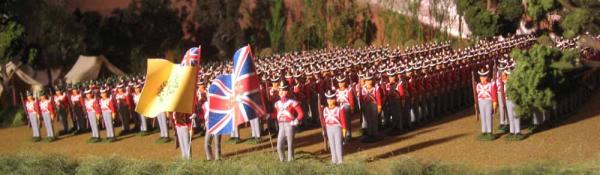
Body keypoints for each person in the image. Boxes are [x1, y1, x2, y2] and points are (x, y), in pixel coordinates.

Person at [273, 80, 304, 162]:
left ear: (287, 91)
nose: (281, 92)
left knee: (290, 144)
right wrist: (268, 115)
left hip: (289, 125)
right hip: (281, 126)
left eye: (284, 90)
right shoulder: (277, 104)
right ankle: (282, 160)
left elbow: (301, 113)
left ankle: (291, 160)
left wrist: (296, 121)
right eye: (280, 90)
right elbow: (275, 114)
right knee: (279, 145)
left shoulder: (292, 102)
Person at [322, 90, 347, 164]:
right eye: (328, 99)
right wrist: (324, 130)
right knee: (332, 145)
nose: (330, 101)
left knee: (338, 145)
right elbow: (324, 121)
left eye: (332, 99)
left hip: (337, 128)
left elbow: (343, 121)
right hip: (329, 128)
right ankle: (334, 160)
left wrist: (344, 130)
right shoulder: (325, 110)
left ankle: (340, 161)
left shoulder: (339, 109)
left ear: (335, 99)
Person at [359, 72, 382, 143]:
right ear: (365, 81)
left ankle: (375, 133)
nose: (369, 82)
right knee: (368, 119)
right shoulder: (362, 89)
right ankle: (370, 133)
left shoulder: (375, 88)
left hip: (373, 105)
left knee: (374, 119)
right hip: (366, 105)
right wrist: (361, 106)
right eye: (367, 80)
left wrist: (379, 106)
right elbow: (360, 98)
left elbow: (378, 97)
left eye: (370, 80)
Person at [476, 66, 497, 140]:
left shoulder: (490, 84)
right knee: (483, 117)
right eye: (481, 76)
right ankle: (484, 130)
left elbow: (494, 94)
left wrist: (494, 104)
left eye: (484, 76)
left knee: (488, 116)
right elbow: (476, 95)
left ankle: (489, 131)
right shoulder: (478, 85)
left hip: (488, 101)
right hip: (481, 102)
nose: (482, 78)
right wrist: (476, 104)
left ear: (487, 76)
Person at [335, 75, 355, 142]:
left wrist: (352, 107)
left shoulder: (348, 90)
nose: (340, 84)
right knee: (341, 122)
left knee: (347, 122)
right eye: (339, 82)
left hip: (346, 106)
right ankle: (342, 135)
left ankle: (348, 135)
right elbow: (335, 100)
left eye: (342, 82)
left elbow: (351, 99)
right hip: (339, 107)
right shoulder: (337, 91)